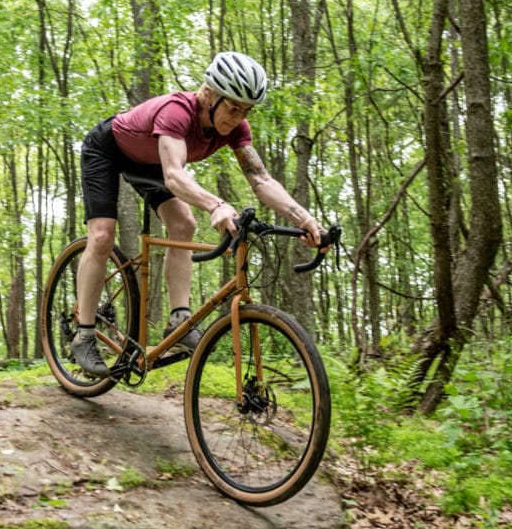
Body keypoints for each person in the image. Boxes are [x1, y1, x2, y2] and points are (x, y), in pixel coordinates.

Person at [71, 51, 326, 377]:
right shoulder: (177, 112)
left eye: (246, 110)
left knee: (184, 224)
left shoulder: (236, 128)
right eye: (233, 107)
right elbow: (175, 175)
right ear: (209, 94)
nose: (237, 117)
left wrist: (305, 219)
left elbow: (261, 180)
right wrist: (216, 204)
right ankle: (85, 333)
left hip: (153, 162)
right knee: (103, 235)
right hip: (107, 149)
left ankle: (178, 319)